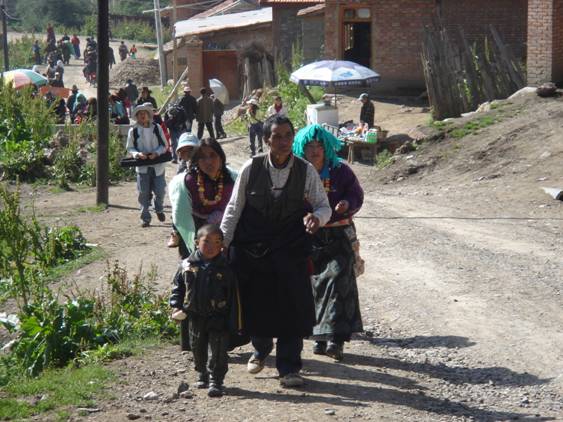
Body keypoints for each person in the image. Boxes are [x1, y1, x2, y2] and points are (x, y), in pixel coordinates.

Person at [220, 115, 331, 388]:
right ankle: (260, 349)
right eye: (277, 136)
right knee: (257, 303)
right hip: (253, 248)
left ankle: (289, 367)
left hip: (290, 247)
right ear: (266, 140)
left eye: (287, 136)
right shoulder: (251, 167)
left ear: (293, 138)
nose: (283, 142)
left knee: (292, 306)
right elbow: (233, 209)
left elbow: (323, 206)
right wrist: (222, 245)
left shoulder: (306, 170)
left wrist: (317, 218)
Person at [292, 124, 364, 361]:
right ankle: (320, 337)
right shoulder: (296, 171)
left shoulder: (340, 171)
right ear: (302, 148)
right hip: (307, 236)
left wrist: (346, 203)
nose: (315, 151)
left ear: (327, 148)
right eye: (310, 146)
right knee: (313, 283)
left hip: (338, 234)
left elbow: (356, 194)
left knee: (338, 279)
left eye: (319, 146)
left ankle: (336, 339)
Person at [169, 224, 238, 397]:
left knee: (218, 351)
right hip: (195, 315)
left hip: (218, 316)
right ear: (196, 242)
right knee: (197, 348)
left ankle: (216, 380)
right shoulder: (186, 265)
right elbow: (178, 288)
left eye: (217, 242)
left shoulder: (227, 268)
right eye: (206, 242)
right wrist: (176, 306)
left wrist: (233, 318)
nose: (212, 247)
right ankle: (202, 373)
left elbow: (233, 294)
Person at [126, 103, 168, 227]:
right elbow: (130, 147)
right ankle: (145, 218)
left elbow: (164, 145)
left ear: (149, 115)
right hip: (142, 167)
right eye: (140, 114)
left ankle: (159, 208)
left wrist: (156, 153)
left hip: (158, 166)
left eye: (145, 114)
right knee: (143, 193)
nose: (143, 116)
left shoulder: (157, 128)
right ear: (137, 117)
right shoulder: (133, 130)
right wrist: (138, 154)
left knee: (160, 191)